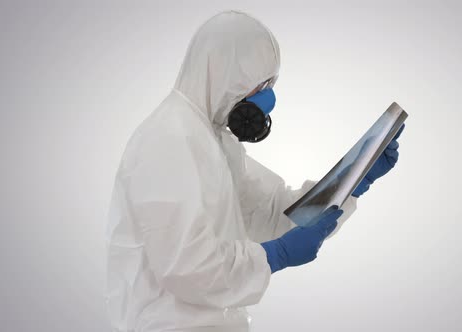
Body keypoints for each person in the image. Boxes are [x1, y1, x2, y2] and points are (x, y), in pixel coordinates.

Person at [106, 10, 402, 332]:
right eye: (258, 85)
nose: (265, 100)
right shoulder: (168, 140)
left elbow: (271, 213)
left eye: (270, 84)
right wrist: (274, 256)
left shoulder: (214, 140)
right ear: (223, 74)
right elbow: (186, 266)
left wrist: (353, 178)